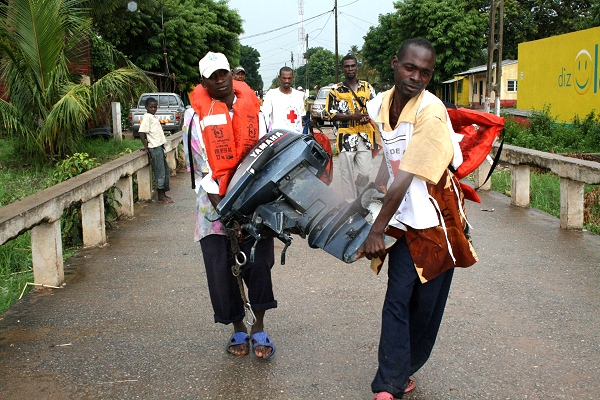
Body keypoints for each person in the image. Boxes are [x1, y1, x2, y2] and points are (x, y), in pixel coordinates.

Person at [360, 38, 478, 399]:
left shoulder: (431, 111)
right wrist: (371, 190)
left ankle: (405, 367)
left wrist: (375, 229)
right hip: (402, 217)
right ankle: (389, 383)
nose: (416, 77)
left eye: (425, 72)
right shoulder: (377, 104)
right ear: (395, 63)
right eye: (410, 68)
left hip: (436, 218)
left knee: (426, 306)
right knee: (397, 297)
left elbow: (408, 174)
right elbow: (390, 154)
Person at [183, 51, 277, 360]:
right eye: (213, 76)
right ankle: (238, 328)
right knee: (222, 271)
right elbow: (202, 171)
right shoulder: (195, 120)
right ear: (204, 82)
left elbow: (267, 157)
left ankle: (259, 327)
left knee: (259, 265)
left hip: (254, 204)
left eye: (224, 73)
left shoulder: (257, 112)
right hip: (213, 210)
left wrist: (249, 207)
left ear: (231, 75)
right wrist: (227, 213)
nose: (220, 79)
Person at [326, 54, 377, 202]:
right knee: (346, 173)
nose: (350, 69)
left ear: (356, 67)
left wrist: (368, 116)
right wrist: (351, 117)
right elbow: (331, 114)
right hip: (346, 136)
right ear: (342, 68)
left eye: (353, 65)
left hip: (365, 136)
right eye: (347, 66)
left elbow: (376, 109)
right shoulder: (335, 90)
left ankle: (360, 194)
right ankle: (351, 204)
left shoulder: (367, 87)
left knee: (366, 172)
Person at [138, 97, 173, 204]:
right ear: (146, 107)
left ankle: (164, 193)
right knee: (160, 172)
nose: (153, 109)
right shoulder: (147, 117)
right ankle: (160, 197)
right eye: (151, 107)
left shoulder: (153, 117)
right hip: (154, 147)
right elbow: (141, 132)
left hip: (159, 147)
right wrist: (146, 146)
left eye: (155, 107)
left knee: (165, 170)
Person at [261, 66, 305, 133]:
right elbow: (265, 116)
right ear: (279, 78)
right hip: (278, 137)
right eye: (284, 78)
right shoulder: (271, 94)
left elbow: (301, 117)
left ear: (292, 78)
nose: (287, 81)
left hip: (296, 137)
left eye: (289, 78)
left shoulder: (299, 95)